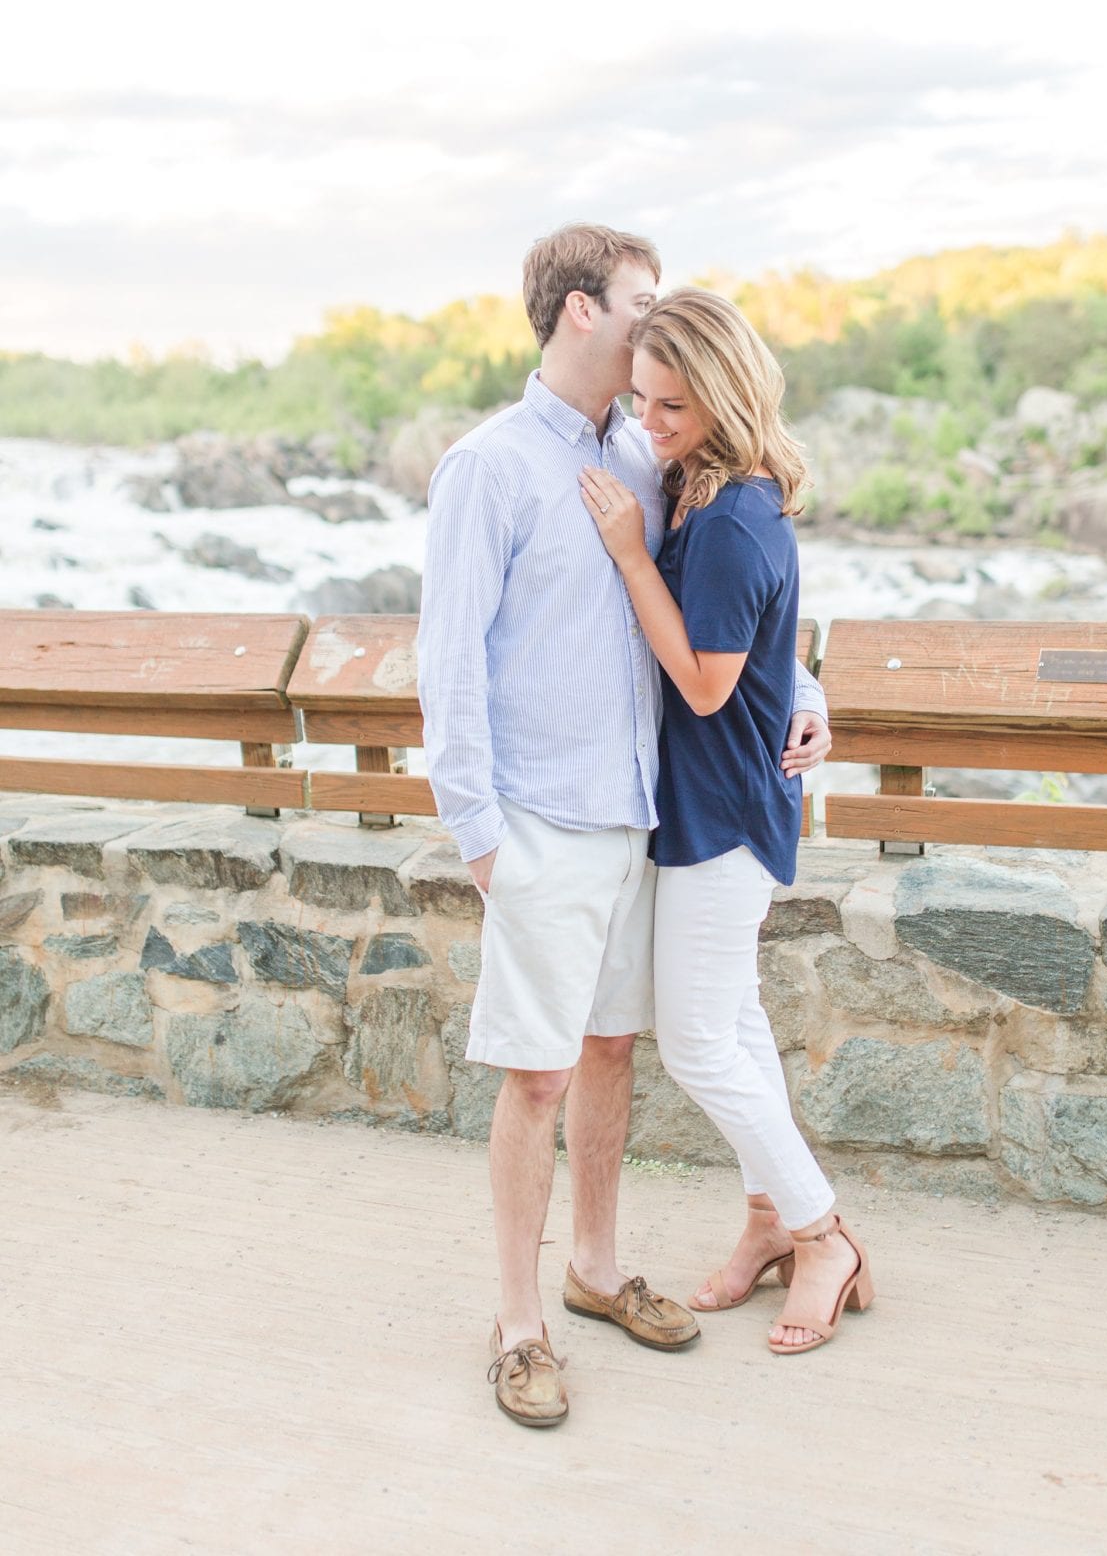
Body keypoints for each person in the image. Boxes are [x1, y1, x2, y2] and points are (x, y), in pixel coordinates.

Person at [418, 225, 832, 1426]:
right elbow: (448, 673)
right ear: (580, 313)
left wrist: (806, 696)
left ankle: (594, 1274)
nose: (659, 323)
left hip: (646, 820)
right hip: (542, 824)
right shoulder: (488, 468)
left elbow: (736, 600)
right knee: (537, 1078)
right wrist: (484, 842)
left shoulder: (653, 455)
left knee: (610, 1056)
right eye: (642, 301)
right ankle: (518, 1324)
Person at [579, 286, 874, 1355]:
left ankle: (821, 1233)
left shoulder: (736, 516)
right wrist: (807, 692)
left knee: (699, 1043)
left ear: (723, 395)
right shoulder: (704, 491)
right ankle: (765, 1223)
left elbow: (706, 685)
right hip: (711, 802)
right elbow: (766, 650)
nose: (648, 424)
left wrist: (622, 551)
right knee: (737, 1027)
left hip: (727, 809)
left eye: (671, 407)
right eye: (642, 401)